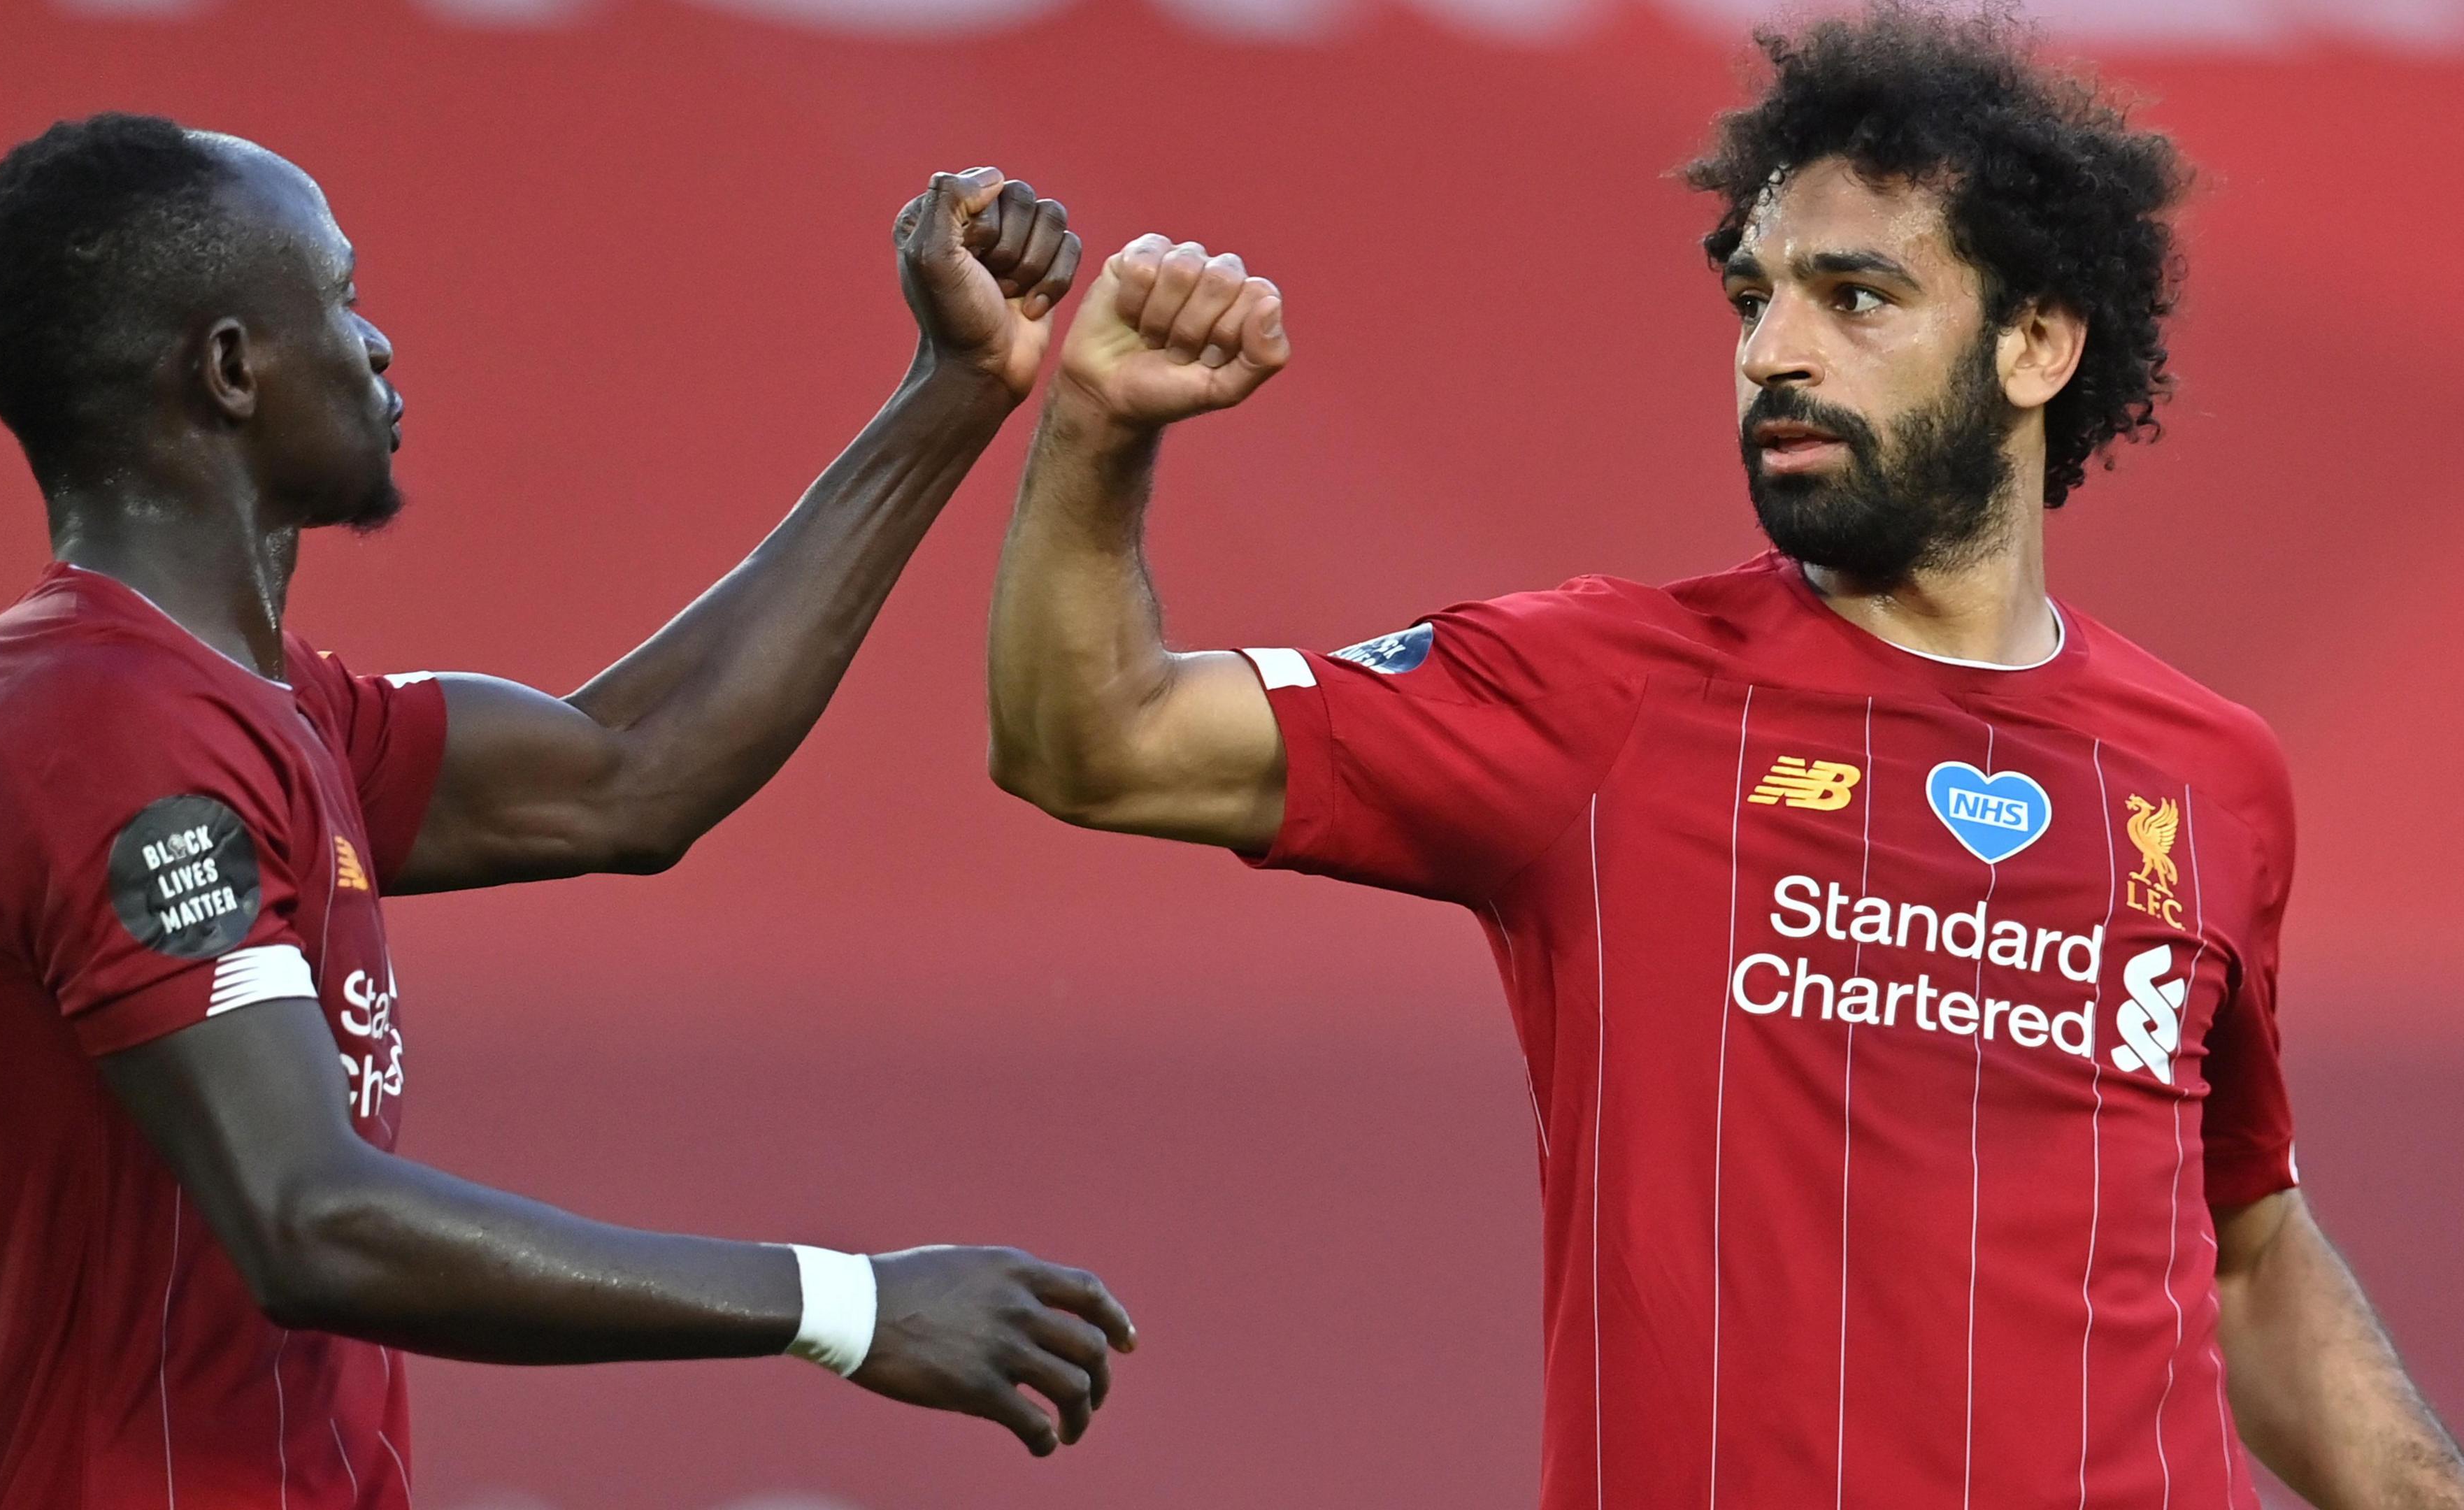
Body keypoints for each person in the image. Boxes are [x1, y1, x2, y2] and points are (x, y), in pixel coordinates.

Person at [984, 6, 2463, 1507]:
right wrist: (1101, 427)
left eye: (1857, 296)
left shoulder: (2210, 775)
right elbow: (1091, 741)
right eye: (1754, 298)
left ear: (2035, 341)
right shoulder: (1603, 697)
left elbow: (2247, 1243)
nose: (1775, 352)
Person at [0, 113, 1132, 1509]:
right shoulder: (107, 730)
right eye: (341, 297)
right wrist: (841, 1305)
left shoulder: (236, 702)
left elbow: (632, 770)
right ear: (232, 369)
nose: (375, 344)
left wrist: (955, 386)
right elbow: (312, 1220)